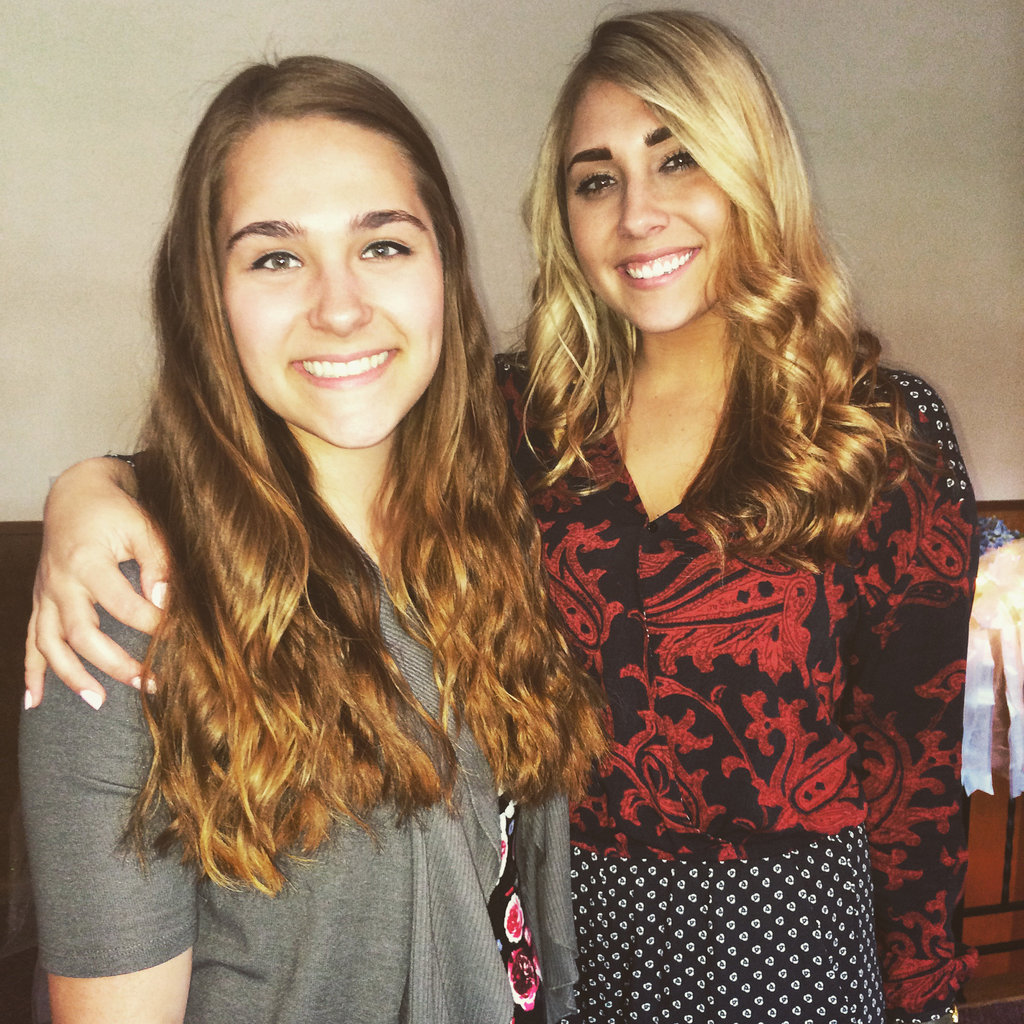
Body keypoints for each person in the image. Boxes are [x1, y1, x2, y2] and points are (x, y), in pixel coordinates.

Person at [25, 11, 977, 1024]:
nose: (637, 214)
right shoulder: (522, 416)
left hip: (786, 949)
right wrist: (90, 492)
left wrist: (924, 1002)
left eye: (678, 159)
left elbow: (911, 767)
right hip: (567, 945)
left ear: (755, 171)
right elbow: (281, 443)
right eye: (596, 180)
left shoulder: (882, 433)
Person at [19, 55, 605, 1024]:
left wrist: (88, 477)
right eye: (276, 257)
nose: (339, 307)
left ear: (444, 268)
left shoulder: (498, 531)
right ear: (208, 297)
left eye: (383, 245)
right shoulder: (127, 612)